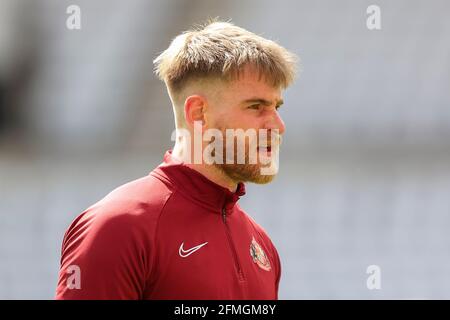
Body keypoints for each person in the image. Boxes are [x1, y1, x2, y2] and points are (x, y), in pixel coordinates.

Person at [55, 20, 298, 299]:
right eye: (256, 106)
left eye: (276, 106)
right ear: (198, 113)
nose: (278, 125)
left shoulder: (262, 247)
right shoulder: (118, 227)